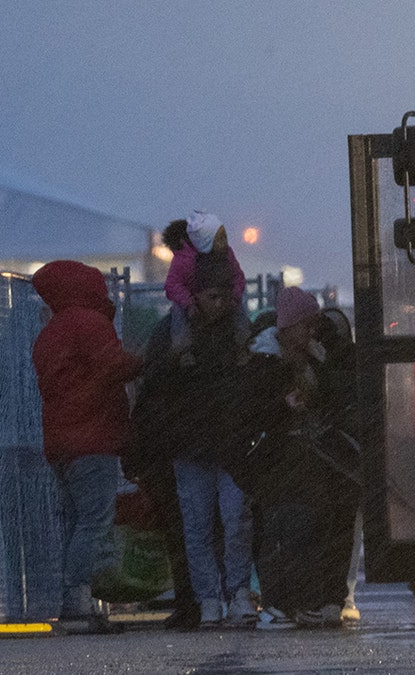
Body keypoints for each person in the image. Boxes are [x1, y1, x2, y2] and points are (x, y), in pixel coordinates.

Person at [137, 251, 257, 629]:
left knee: (217, 523)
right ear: (197, 295)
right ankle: (226, 594)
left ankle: (217, 598)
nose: (219, 303)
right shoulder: (238, 335)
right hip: (212, 440)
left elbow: (152, 383)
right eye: (212, 296)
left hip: (199, 439)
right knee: (215, 523)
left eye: (223, 296)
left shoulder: (174, 335)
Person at [231, 287, 361, 629]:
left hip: (311, 460)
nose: (312, 332)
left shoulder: (315, 360)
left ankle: (314, 600)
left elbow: (338, 400)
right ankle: (286, 602)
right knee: (289, 529)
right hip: (281, 463)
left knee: (317, 527)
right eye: (307, 325)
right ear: (289, 327)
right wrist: (281, 408)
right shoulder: (265, 365)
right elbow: (248, 416)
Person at [31, 260, 143, 633]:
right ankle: (79, 602)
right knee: (95, 520)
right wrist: (145, 359)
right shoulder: (88, 323)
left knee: (77, 521)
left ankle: (77, 601)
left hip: (62, 441)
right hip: (93, 437)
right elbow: (113, 365)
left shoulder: (51, 331)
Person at [162, 210, 247, 350]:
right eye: (219, 238)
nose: (224, 243)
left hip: (220, 295)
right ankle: (181, 347)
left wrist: (235, 295)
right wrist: (188, 302)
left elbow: (238, 276)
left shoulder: (225, 254)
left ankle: (243, 342)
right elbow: (172, 284)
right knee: (179, 315)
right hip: (190, 298)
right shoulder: (184, 259)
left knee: (239, 310)